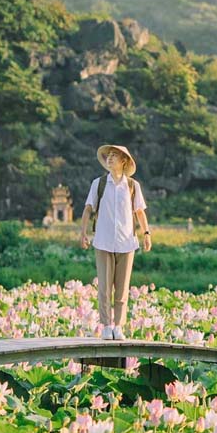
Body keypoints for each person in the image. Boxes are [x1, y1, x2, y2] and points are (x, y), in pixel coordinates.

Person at [78, 145, 152, 340]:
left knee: (122, 288)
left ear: (124, 162)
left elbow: (139, 212)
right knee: (104, 287)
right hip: (102, 241)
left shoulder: (133, 186)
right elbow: (88, 209)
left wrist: (146, 233)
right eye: (108, 156)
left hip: (127, 243)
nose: (110, 159)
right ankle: (105, 325)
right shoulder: (99, 184)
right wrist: (83, 233)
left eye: (114, 156)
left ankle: (118, 326)